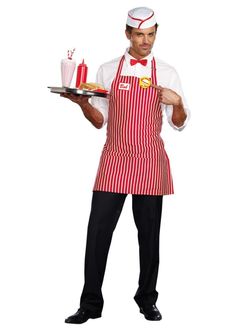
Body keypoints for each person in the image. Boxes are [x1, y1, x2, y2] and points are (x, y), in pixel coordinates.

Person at [61, 6, 190, 324]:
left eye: (151, 35)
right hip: (115, 158)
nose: (146, 42)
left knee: (149, 235)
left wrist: (179, 104)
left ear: (156, 32)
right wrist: (83, 104)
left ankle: (147, 299)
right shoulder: (107, 70)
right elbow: (99, 120)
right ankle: (90, 304)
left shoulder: (168, 72)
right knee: (97, 232)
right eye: (140, 35)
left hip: (149, 160)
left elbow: (179, 124)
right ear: (127, 34)